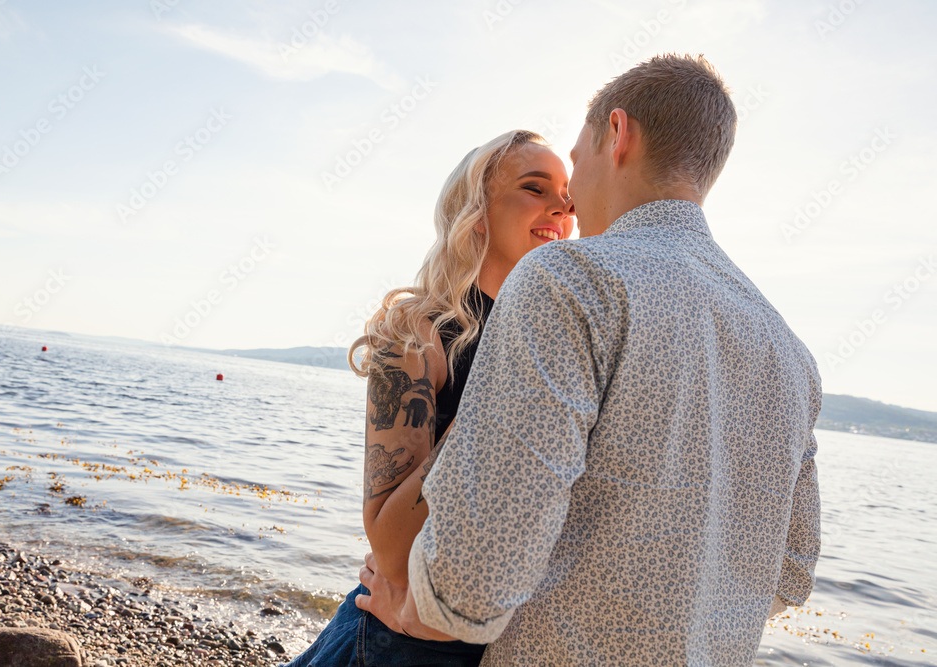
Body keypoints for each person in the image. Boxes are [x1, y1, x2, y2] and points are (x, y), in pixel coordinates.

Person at [356, 54, 822, 666]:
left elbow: (467, 589)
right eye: (537, 188)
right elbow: (789, 574)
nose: (568, 201)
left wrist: (425, 620)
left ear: (618, 134)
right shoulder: (787, 348)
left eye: (573, 167)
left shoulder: (573, 285)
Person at [284, 129, 574, 666]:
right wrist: (504, 401)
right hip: (401, 641)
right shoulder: (421, 331)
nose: (564, 206)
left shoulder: (569, 344)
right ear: (477, 212)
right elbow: (391, 551)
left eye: (568, 194)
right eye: (536, 188)